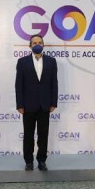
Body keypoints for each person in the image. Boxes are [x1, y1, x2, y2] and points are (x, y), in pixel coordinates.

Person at [15, 35, 58, 171]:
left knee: (43, 135)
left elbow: (54, 83)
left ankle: (42, 161)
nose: (37, 45)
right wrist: (20, 105)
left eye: (39, 42)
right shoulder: (22, 62)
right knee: (28, 135)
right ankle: (28, 161)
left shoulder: (51, 61)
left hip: (45, 105)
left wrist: (53, 102)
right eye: (34, 43)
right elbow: (19, 84)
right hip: (28, 105)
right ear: (30, 46)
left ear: (43, 45)